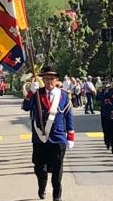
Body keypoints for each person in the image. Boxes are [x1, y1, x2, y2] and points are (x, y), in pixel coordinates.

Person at [22, 66, 75, 201]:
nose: (49, 81)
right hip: (40, 138)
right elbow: (25, 107)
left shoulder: (63, 95)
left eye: (52, 78)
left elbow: (69, 116)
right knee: (40, 168)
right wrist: (31, 93)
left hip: (58, 137)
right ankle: (42, 187)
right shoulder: (36, 94)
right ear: (43, 80)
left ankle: (57, 196)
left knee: (57, 169)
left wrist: (70, 136)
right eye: (46, 78)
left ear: (56, 80)